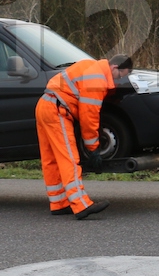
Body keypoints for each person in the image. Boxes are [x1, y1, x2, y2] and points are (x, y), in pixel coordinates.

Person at [35, 53, 132, 219]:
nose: (117, 80)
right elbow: (89, 115)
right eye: (119, 75)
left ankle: (58, 202)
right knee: (69, 159)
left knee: (51, 159)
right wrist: (93, 147)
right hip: (57, 110)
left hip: (45, 105)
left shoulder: (90, 66)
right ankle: (81, 205)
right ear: (114, 67)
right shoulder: (98, 79)